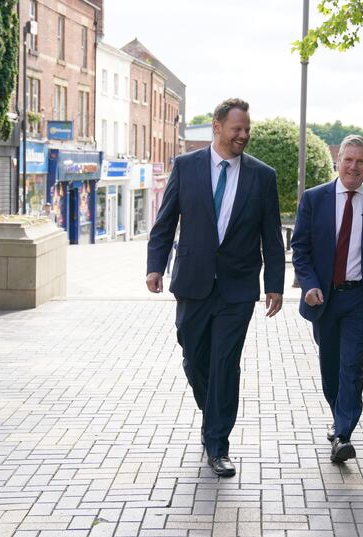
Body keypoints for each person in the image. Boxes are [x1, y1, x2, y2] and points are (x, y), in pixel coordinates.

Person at [146, 98, 285, 477]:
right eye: (237, 128)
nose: (243, 135)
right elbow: (166, 220)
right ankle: (213, 413)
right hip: (193, 281)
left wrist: (275, 284)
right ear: (217, 127)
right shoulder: (186, 166)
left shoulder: (262, 175)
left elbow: (271, 236)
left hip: (238, 287)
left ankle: (219, 444)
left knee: (226, 363)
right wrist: (155, 266)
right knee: (194, 358)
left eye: (247, 129)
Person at [291, 135, 363, 464]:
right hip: (325, 298)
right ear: (338, 161)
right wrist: (309, 284)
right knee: (330, 366)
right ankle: (339, 416)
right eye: (348, 160)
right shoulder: (315, 198)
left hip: (361, 300)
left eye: (361, 161)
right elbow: (301, 249)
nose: (354, 167)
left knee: (351, 367)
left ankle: (343, 434)